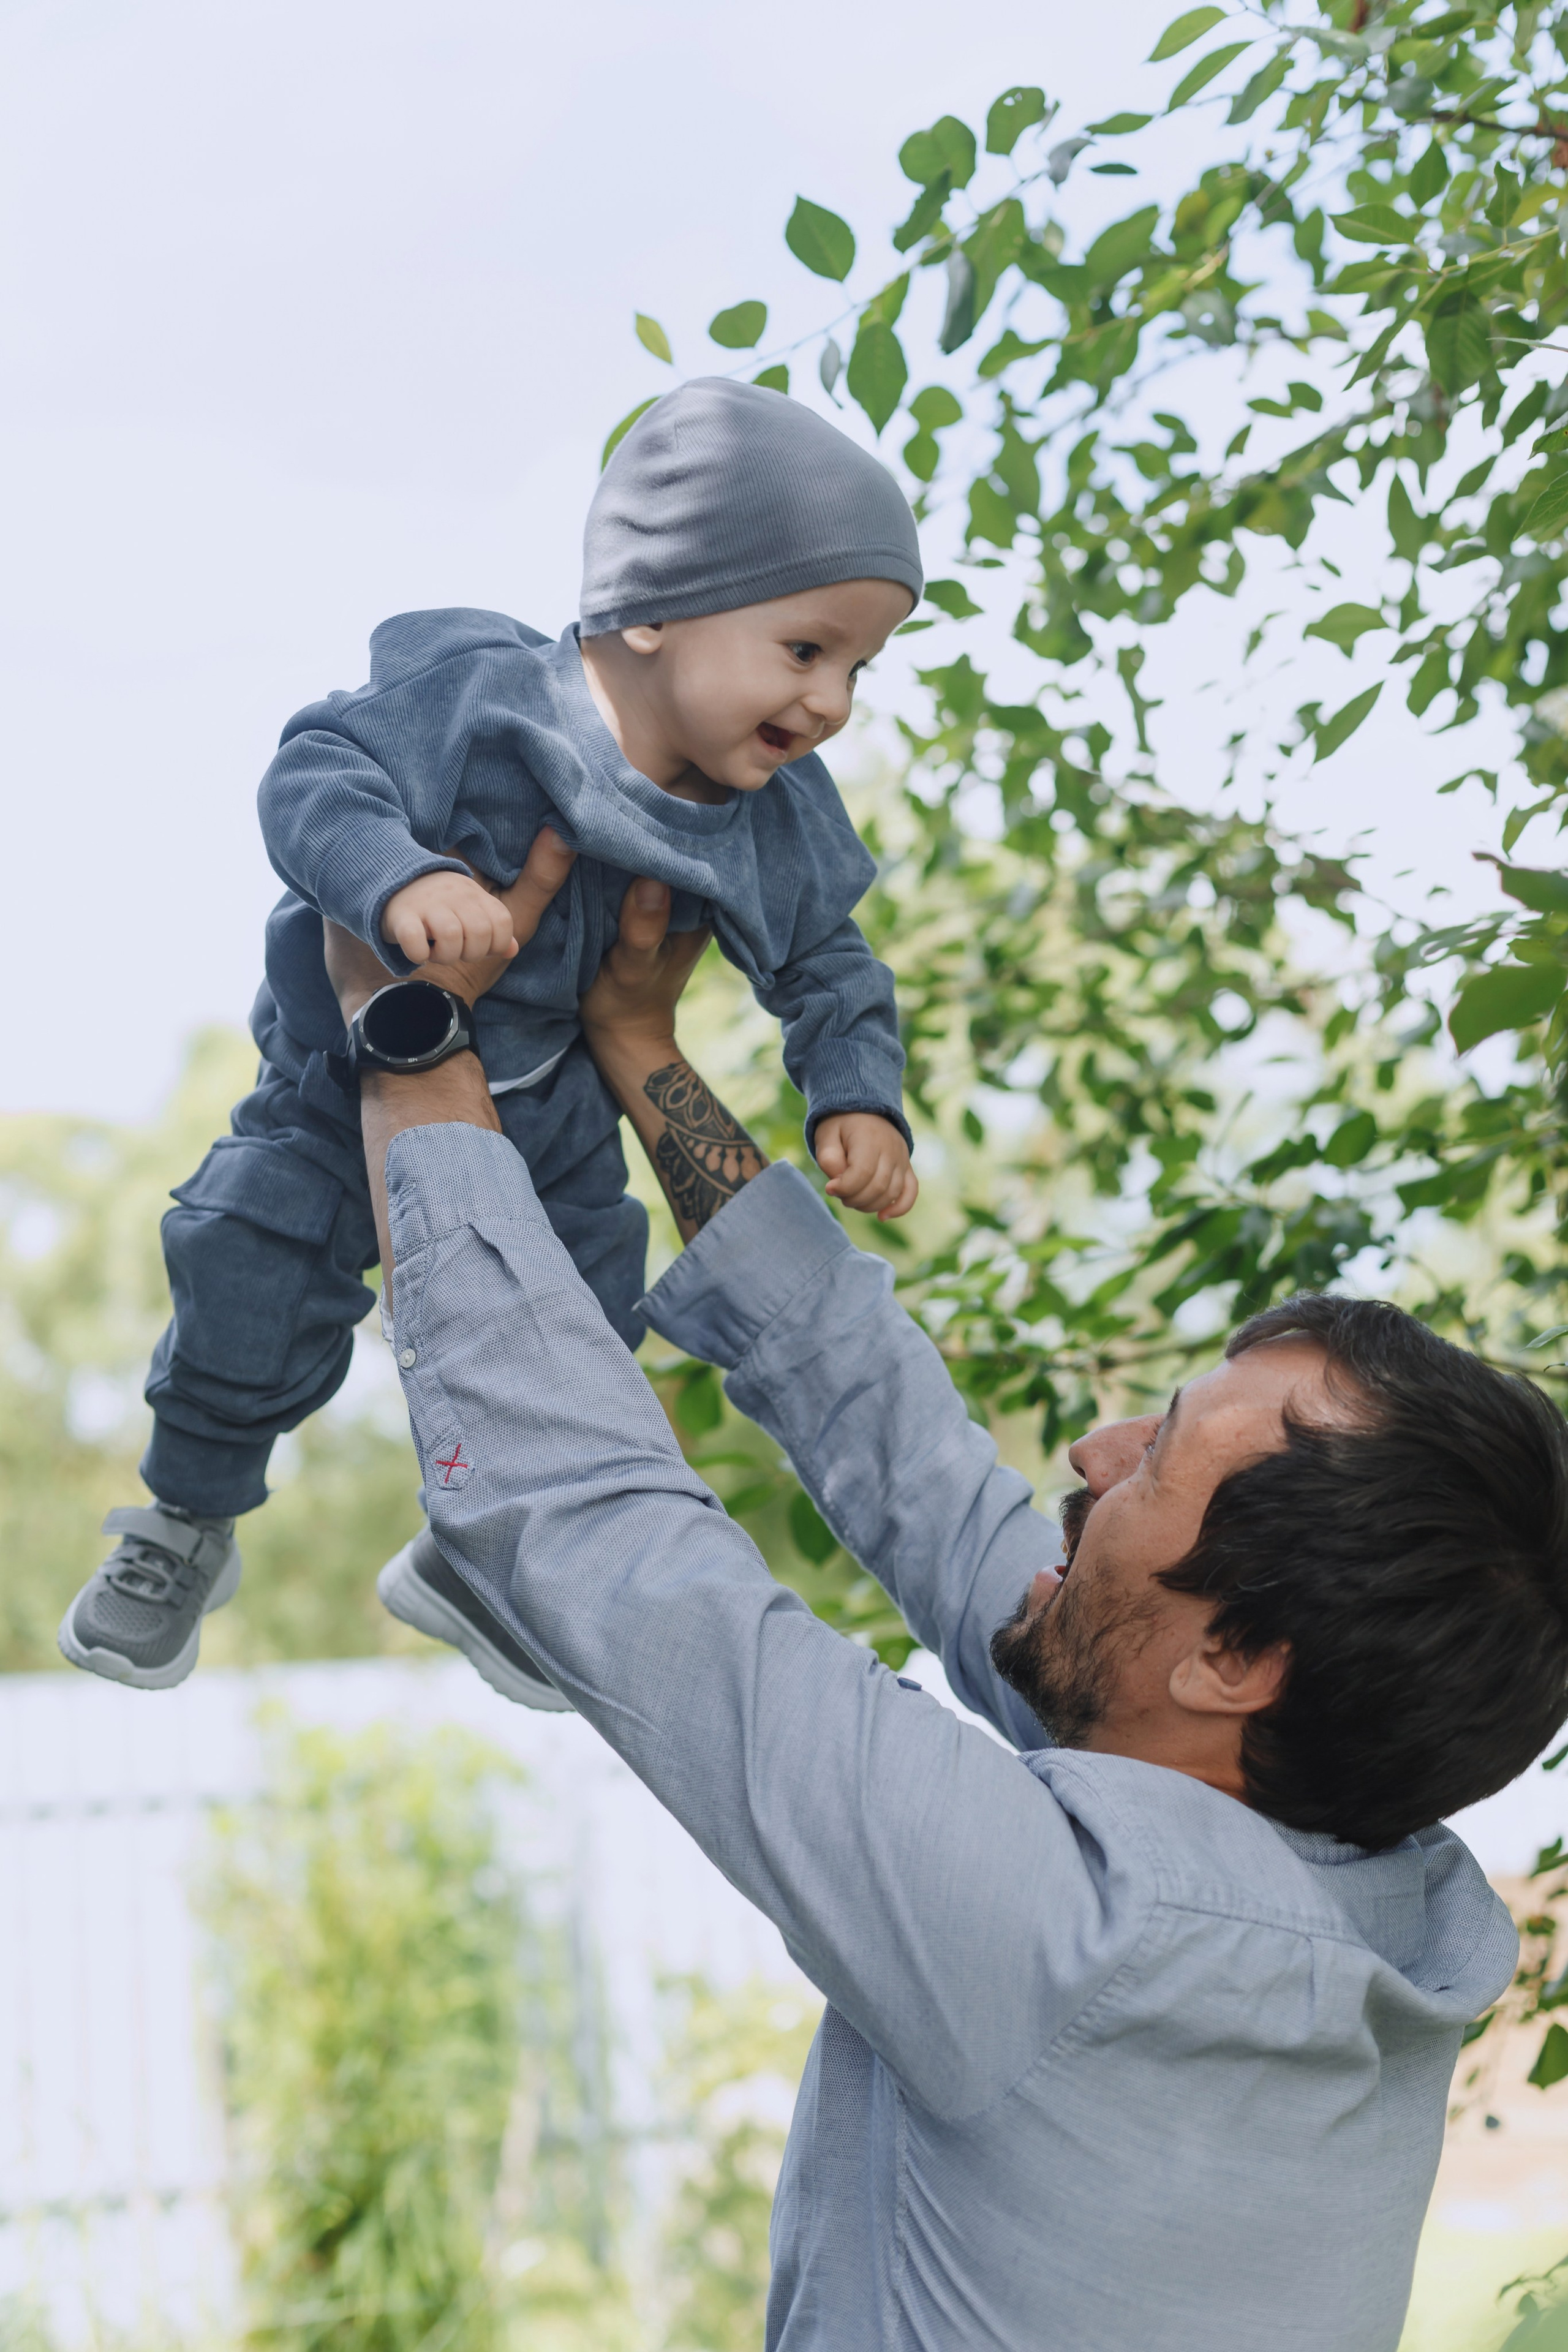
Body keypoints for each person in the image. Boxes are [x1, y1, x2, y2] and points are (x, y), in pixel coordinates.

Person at [320, 835, 1562, 2351]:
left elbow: (590, 1523)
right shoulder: (1366, 1870)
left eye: (1157, 1454)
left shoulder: (1081, 1937)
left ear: (1234, 1658)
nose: (1094, 1452)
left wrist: (403, 1030)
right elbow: (912, 1463)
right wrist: (639, 1045)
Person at [60, 378, 923, 1694]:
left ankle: (484, 1566)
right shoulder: (481, 699)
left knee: (583, 1326)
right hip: (337, 1086)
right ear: (650, 608)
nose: (833, 703)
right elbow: (314, 773)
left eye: (858, 669)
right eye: (805, 650)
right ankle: (186, 1516)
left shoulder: (775, 816)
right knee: (248, 1261)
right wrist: (397, 877)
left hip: (553, 1113)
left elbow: (829, 961)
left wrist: (856, 1093)